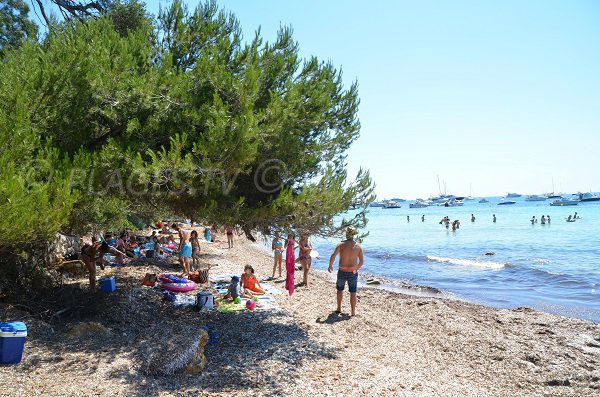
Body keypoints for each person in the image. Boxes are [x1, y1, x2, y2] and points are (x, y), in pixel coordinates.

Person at [328, 227, 364, 316]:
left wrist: (330, 265)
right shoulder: (358, 246)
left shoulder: (341, 244)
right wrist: (356, 269)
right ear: (354, 234)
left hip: (342, 271)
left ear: (346, 234)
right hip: (353, 272)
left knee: (339, 290)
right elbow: (361, 261)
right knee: (353, 292)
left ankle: (339, 308)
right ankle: (353, 312)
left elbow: (333, 255)